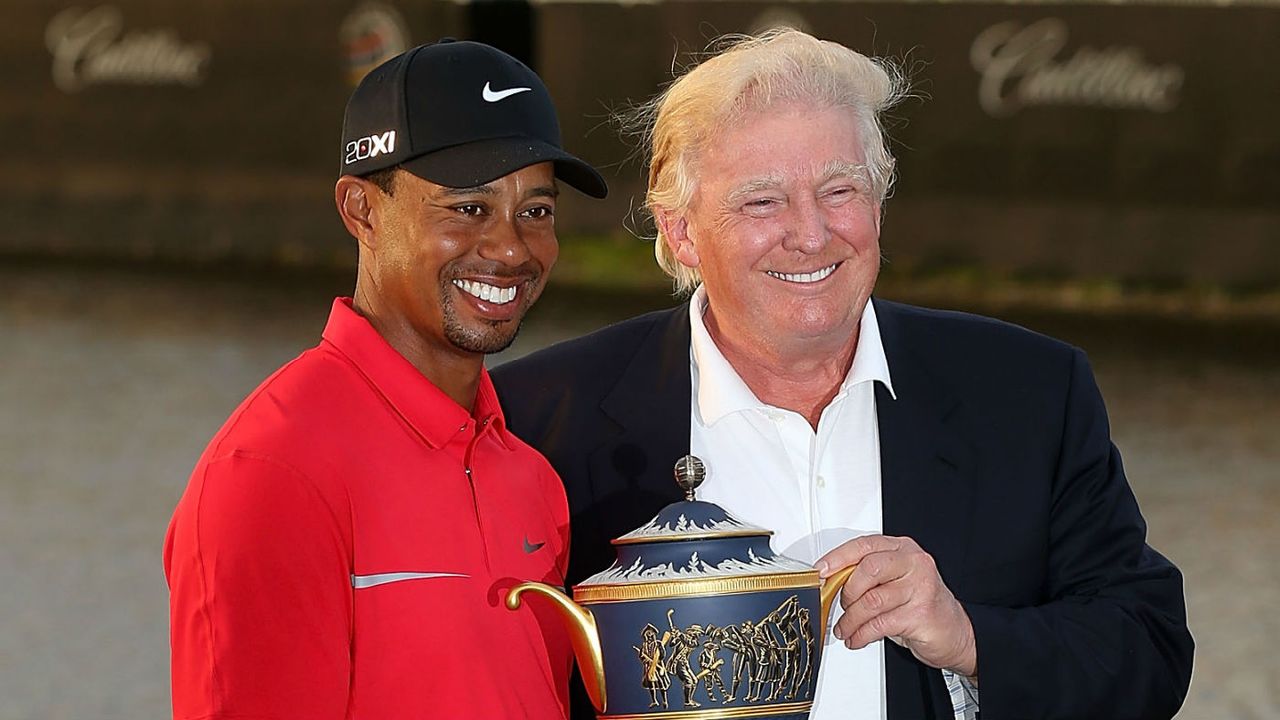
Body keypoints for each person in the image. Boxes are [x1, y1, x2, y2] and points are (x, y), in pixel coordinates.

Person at [491, 29, 1192, 720]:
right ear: (680, 232)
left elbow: (1148, 651)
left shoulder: (1031, 393)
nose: (812, 234)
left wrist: (970, 640)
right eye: (762, 202)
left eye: (839, 190)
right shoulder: (541, 419)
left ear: (879, 202)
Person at [164, 39, 607, 719]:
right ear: (362, 211)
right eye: (468, 207)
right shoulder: (274, 471)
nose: (512, 247)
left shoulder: (531, 480)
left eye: (536, 211)